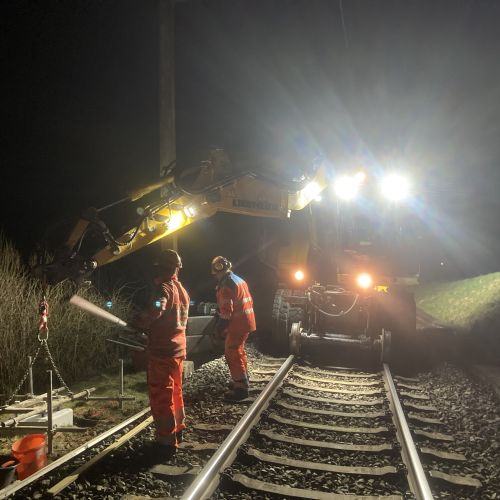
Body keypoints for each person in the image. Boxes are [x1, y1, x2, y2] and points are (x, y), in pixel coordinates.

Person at [134, 249, 189, 459]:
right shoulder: (182, 289)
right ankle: (179, 428)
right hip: (178, 350)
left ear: (162, 267)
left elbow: (158, 308)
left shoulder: (163, 288)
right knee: (176, 392)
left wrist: (141, 320)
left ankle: (166, 441)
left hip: (162, 352)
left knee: (161, 396)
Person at [211, 256, 256, 401]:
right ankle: (243, 377)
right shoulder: (238, 279)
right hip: (246, 322)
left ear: (217, 271)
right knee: (239, 350)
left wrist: (219, 327)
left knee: (232, 351)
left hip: (237, 324)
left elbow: (227, 312)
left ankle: (241, 388)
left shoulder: (225, 286)